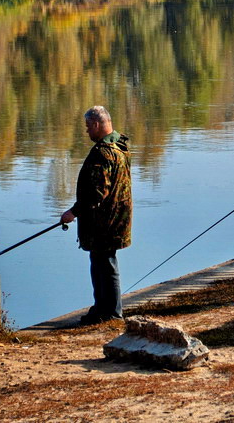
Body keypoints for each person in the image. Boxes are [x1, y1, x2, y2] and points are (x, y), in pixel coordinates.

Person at [60, 105, 132, 325]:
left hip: (105, 222)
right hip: (116, 219)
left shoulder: (103, 152)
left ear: (97, 124)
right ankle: (102, 308)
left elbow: (97, 192)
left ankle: (111, 312)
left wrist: (73, 212)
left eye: (88, 127)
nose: (87, 132)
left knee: (105, 264)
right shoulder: (120, 146)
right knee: (101, 262)